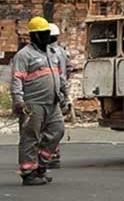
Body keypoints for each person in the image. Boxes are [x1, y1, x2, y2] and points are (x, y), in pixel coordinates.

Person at [11, 16, 65, 185]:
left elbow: (59, 76)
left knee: (58, 130)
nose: (45, 37)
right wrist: (18, 100)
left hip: (53, 102)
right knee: (30, 137)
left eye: (47, 33)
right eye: (42, 33)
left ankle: (41, 164)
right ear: (34, 36)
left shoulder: (52, 53)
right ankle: (29, 172)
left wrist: (65, 95)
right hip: (32, 103)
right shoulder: (24, 55)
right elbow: (16, 79)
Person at [46, 23, 69, 169]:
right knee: (54, 126)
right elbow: (67, 70)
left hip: (50, 92)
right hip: (60, 91)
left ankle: (49, 154)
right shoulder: (62, 51)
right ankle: (54, 154)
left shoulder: (48, 53)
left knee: (47, 126)